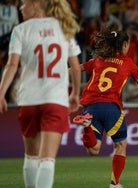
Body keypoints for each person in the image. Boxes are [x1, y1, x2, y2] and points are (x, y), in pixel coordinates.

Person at [0, 0, 81, 188]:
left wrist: (1, 92)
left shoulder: (20, 30)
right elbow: (76, 67)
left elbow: (12, 65)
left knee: (30, 157)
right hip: (55, 101)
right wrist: (75, 93)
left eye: (24, 4)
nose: (20, 8)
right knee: (47, 160)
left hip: (28, 100)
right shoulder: (64, 27)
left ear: (36, 5)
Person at [72, 26, 138, 188]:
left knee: (94, 150)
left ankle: (87, 127)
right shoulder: (128, 63)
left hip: (91, 107)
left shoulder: (97, 60)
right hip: (111, 108)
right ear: (125, 45)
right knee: (120, 145)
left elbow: (75, 69)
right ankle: (114, 184)